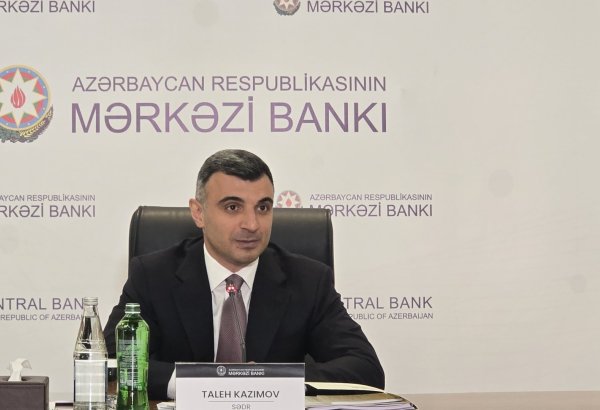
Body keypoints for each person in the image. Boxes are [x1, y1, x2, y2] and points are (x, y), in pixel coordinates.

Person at [104, 149, 385, 400]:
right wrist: (206, 383)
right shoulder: (153, 276)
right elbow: (111, 364)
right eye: (232, 207)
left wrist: (268, 381)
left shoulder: (309, 281)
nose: (252, 224)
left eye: (263, 208)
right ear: (198, 213)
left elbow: (365, 368)